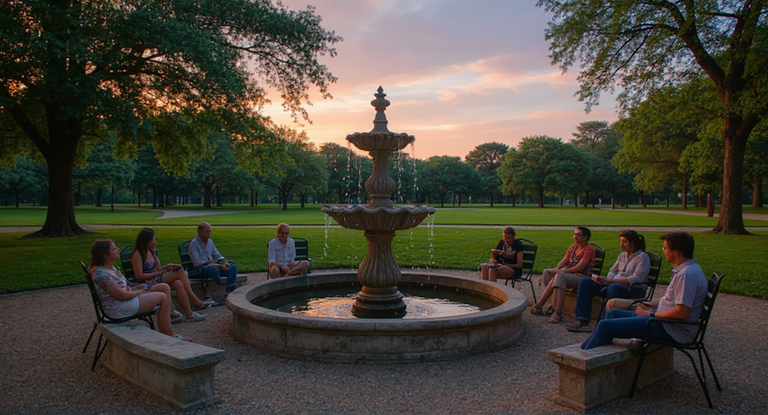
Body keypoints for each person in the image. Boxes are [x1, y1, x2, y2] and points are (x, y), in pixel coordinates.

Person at [581, 232, 708, 350]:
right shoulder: (688, 270)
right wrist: (650, 304)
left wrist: (651, 313)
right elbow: (672, 299)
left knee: (605, 326)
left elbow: (682, 314)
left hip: (671, 329)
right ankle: (598, 354)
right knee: (612, 314)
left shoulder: (686, 275)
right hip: (663, 322)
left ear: (677, 252)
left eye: (665, 248)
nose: (663, 251)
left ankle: (585, 354)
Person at [89, 239, 188, 340]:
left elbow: (122, 288)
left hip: (125, 299)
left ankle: (168, 315)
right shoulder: (102, 274)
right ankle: (169, 334)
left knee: (163, 287)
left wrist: (137, 288)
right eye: (114, 249)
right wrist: (138, 292)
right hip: (118, 307)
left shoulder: (110, 268)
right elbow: (120, 295)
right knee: (162, 297)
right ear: (104, 255)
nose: (118, 250)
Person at [565, 230, 651, 332]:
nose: (621, 244)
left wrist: (610, 281)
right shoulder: (622, 255)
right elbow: (612, 270)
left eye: (624, 242)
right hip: (612, 284)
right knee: (585, 283)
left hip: (633, 288)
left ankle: (603, 323)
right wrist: (604, 280)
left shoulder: (642, 257)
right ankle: (582, 321)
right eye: (621, 241)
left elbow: (636, 279)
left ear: (633, 244)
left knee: (613, 287)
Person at [131, 229, 211, 323]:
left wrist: (168, 268)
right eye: (153, 240)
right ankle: (196, 301)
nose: (155, 241)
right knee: (182, 273)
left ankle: (189, 313)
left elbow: (159, 269)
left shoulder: (152, 251)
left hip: (157, 277)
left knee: (178, 283)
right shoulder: (138, 255)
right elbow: (139, 276)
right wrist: (160, 273)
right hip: (148, 282)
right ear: (146, 241)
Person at [530, 226, 596, 324]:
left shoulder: (589, 250)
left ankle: (557, 312)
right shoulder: (573, 248)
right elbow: (563, 262)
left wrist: (561, 272)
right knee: (547, 272)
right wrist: (556, 269)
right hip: (570, 275)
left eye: (578, 235)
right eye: (574, 234)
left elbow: (579, 268)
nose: (575, 236)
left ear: (585, 237)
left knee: (560, 276)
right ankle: (544, 304)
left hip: (582, 277)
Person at [188, 222, 238, 298]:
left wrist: (224, 262)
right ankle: (217, 286)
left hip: (213, 265)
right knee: (213, 270)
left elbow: (217, 255)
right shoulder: (194, 244)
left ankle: (230, 290)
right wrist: (213, 264)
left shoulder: (210, 242)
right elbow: (196, 263)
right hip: (200, 268)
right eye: (207, 232)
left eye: (210, 232)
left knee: (232, 267)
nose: (209, 234)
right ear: (199, 232)